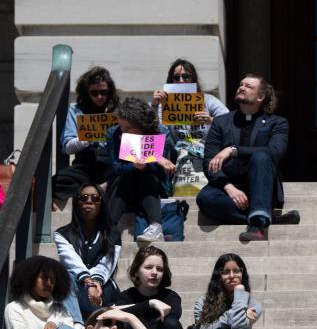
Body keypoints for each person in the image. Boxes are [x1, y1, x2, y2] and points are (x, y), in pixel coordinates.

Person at [197, 74, 299, 243]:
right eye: (241, 84)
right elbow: (209, 159)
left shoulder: (277, 123)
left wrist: (233, 150)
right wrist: (229, 187)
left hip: (262, 187)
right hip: (228, 187)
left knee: (261, 155)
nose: (242, 87)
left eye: (249, 86)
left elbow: (275, 151)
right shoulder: (221, 122)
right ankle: (265, 218)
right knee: (205, 198)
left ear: (261, 96)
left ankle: (258, 225)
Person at [151, 59, 230, 196]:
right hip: (176, 157)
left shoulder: (207, 100)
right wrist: (154, 105)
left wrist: (211, 120)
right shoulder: (164, 105)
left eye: (186, 76)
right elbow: (152, 130)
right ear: (171, 80)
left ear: (193, 79)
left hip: (208, 155)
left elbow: (229, 122)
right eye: (176, 77)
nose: (181, 81)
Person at [105, 97, 177, 245]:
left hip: (151, 186)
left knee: (145, 174)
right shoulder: (113, 133)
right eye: (121, 126)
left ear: (142, 126)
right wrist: (135, 165)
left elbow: (160, 172)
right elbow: (117, 168)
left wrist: (151, 160)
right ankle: (108, 227)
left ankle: (155, 226)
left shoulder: (160, 132)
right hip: (123, 186)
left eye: (128, 128)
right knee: (129, 175)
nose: (123, 131)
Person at [52, 66, 119, 207]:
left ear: (110, 91)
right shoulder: (76, 110)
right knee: (57, 181)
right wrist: (87, 138)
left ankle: (98, 189)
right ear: (86, 92)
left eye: (103, 92)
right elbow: (68, 147)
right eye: (94, 93)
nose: (99, 97)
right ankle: (95, 190)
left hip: (111, 162)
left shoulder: (118, 110)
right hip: (86, 163)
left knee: (127, 175)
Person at [53, 183, 122, 321]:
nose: (89, 201)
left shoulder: (113, 234)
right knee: (66, 276)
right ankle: (77, 324)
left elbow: (106, 266)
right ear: (76, 203)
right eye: (83, 198)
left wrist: (95, 283)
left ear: (102, 203)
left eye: (95, 198)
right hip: (75, 289)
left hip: (102, 290)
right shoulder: (62, 234)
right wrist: (88, 282)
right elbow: (72, 262)